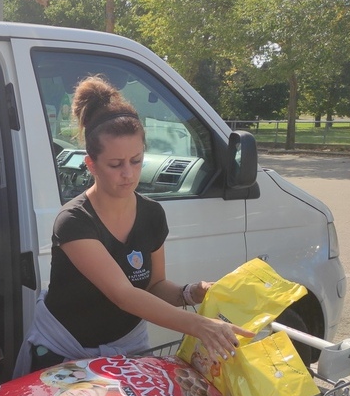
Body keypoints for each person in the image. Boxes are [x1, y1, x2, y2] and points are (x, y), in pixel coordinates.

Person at [15, 74, 251, 377]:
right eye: (116, 164)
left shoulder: (152, 214)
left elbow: (154, 285)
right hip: (65, 354)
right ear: (91, 165)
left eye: (136, 161)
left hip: (127, 352)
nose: (128, 173)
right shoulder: (74, 221)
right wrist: (200, 326)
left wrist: (193, 292)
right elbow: (123, 294)